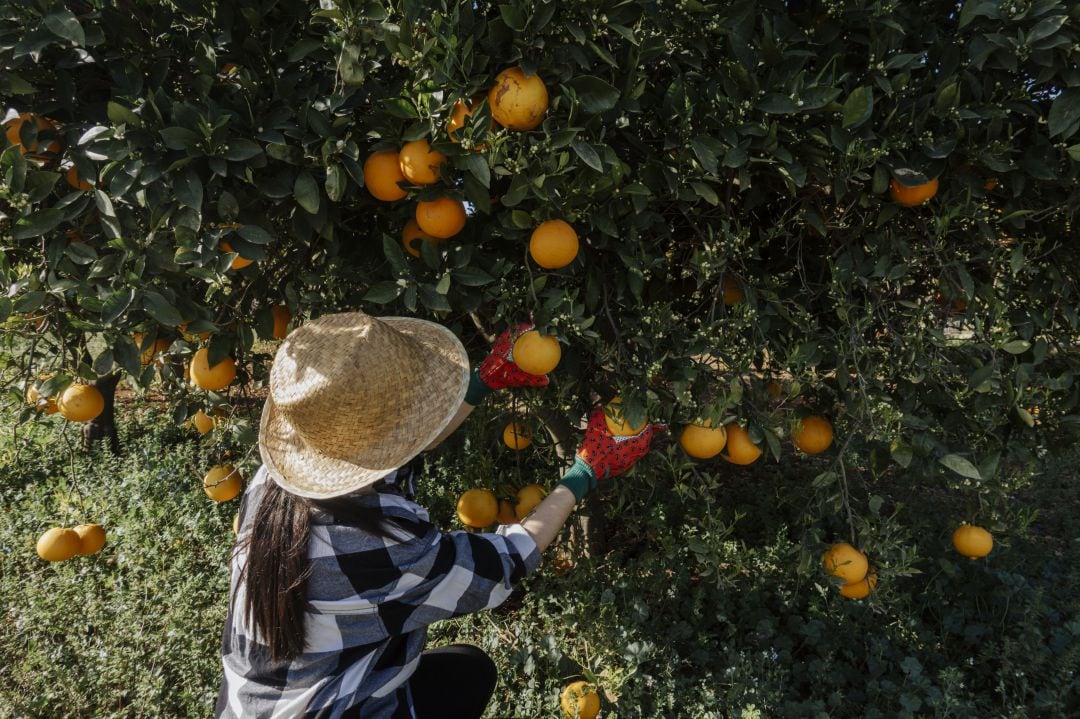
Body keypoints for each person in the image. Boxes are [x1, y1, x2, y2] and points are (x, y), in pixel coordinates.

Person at [214, 312, 662, 718]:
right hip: (330, 709)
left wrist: (484, 381)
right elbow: (505, 562)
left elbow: (396, 452)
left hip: (252, 704)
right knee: (464, 678)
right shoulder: (379, 546)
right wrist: (584, 473)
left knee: (467, 672)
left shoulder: (276, 481)